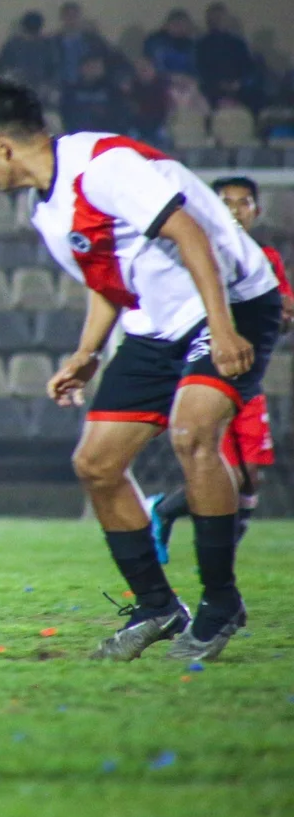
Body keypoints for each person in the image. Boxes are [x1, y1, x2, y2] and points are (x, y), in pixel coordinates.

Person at [0, 77, 281, 662]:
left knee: (192, 433)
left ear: (2, 145)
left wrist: (225, 326)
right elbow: (108, 280)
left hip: (230, 301)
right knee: (97, 464)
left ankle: (220, 604)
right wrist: (86, 353)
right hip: (155, 325)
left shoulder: (102, 166)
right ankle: (158, 607)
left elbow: (188, 234)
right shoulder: (46, 209)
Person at [148, 177, 293, 561]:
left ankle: (172, 518)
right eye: (225, 202)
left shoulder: (266, 260)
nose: (234, 211)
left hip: (248, 378)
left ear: (256, 212)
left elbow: (282, 314)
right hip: (207, 377)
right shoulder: (195, 254)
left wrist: (283, 314)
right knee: (222, 471)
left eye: (243, 203)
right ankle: (209, 565)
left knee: (249, 478)